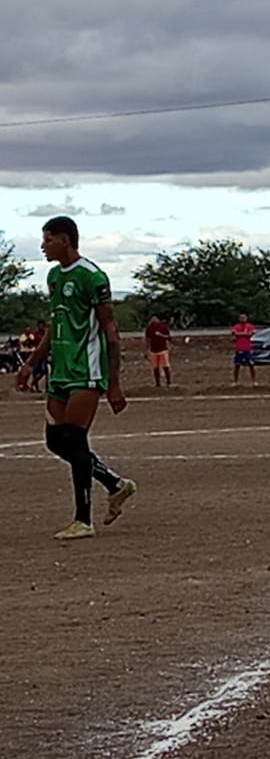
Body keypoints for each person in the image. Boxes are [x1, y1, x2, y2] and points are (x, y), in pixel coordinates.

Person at [13, 216, 137, 540]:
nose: (43, 245)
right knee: (55, 441)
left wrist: (113, 382)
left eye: (48, 238)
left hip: (87, 368)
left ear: (66, 240)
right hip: (61, 370)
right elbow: (55, 325)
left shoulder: (92, 276)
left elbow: (111, 330)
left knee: (75, 440)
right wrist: (30, 364)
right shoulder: (53, 277)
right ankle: (115, 484)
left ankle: (83, 520)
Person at [144, 313, 173, 387]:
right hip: (153, 350)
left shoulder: (163, 327)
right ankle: (157, 383)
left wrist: (161, 335)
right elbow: (147, 340)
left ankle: (168, 382)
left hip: (163, 349)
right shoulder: (149, 328)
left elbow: (168, 337)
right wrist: (147, 350)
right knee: (155, 367)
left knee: (165, 366)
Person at [231, 312, 258, 387]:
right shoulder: (236, 326)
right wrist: (244, 333)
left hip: (248, 348)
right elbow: (235, 333)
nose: (243, 319)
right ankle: (235, 381)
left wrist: (240, 334)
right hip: (239, 348)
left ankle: (254, 381)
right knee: (237, 365)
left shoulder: (250, 326)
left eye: (244, 317)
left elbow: (250, 334)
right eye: (241, 318)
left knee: (251, 364)